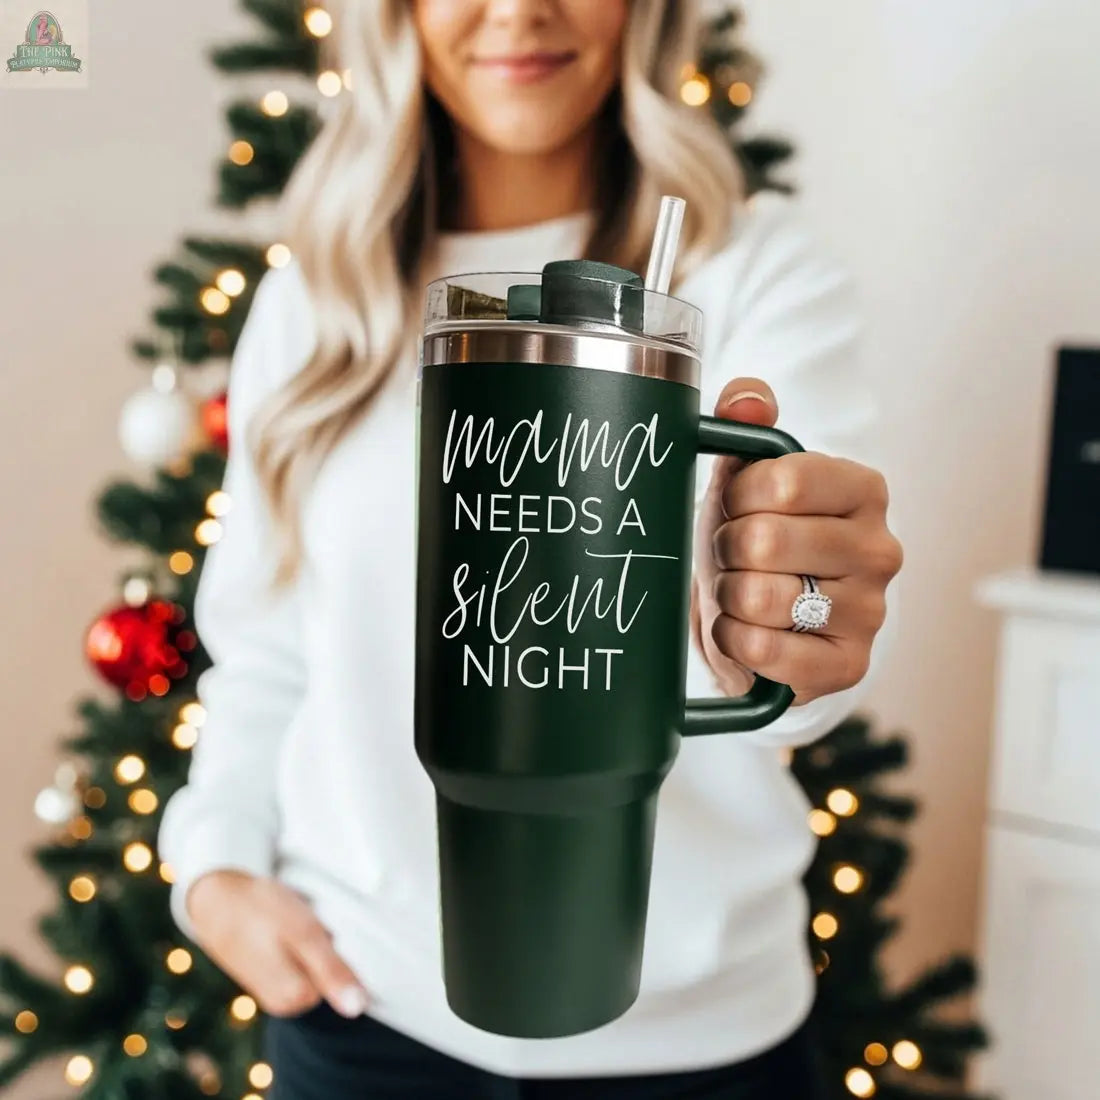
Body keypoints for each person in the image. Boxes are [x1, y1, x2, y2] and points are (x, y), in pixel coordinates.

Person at [158, 2, 904, 1097]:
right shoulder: (315, 299)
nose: (518, 9)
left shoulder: (751, 272)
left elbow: (793, 649)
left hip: (699, 1048)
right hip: (364, 1019)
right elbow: (266, 651)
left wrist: (793, 625)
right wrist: (213, 862)